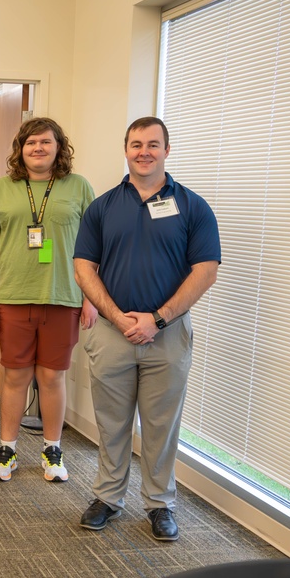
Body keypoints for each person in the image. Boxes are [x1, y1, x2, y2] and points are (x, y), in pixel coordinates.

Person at [73, 116, 220, 541]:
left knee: (161, 423)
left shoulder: (192, 206)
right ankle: (107, 497)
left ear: (167, 151)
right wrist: (119, 318)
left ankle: (160, 504)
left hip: (168, 335)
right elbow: (84, 268)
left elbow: (205, 271)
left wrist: (158, 318)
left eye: (153, 145)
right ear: (126, 149)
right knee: (111, 421)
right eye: (136, 144)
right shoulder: (102, 207)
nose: (144, 152)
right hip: (111, 331)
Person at [0, 117, 96, 483]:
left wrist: (91, 298)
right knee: (15, 376)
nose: (38, 148)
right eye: (31, 143)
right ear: (20, 149)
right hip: (12, 296)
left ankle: (52, 449)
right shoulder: (1, 188)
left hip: (63, 297)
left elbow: (96, 247)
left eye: (46, 142)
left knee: (52, 377)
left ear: (59, 147)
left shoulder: (78, 187)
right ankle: (8, 449)